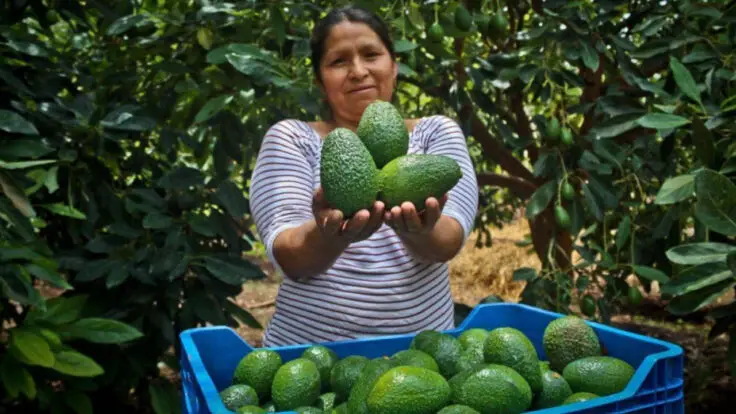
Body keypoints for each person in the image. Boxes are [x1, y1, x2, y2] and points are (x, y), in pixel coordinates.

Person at [249, 5, 479, 347]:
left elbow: (448, 242)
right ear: (319, 78)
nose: (358, 71)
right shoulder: (292, 139)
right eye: (338, 61)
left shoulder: (435, 133)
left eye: (371, 54)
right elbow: (290, 258)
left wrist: (420, 230)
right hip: (309, 360)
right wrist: (331, 235)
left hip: (422, 361)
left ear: (394, 65)